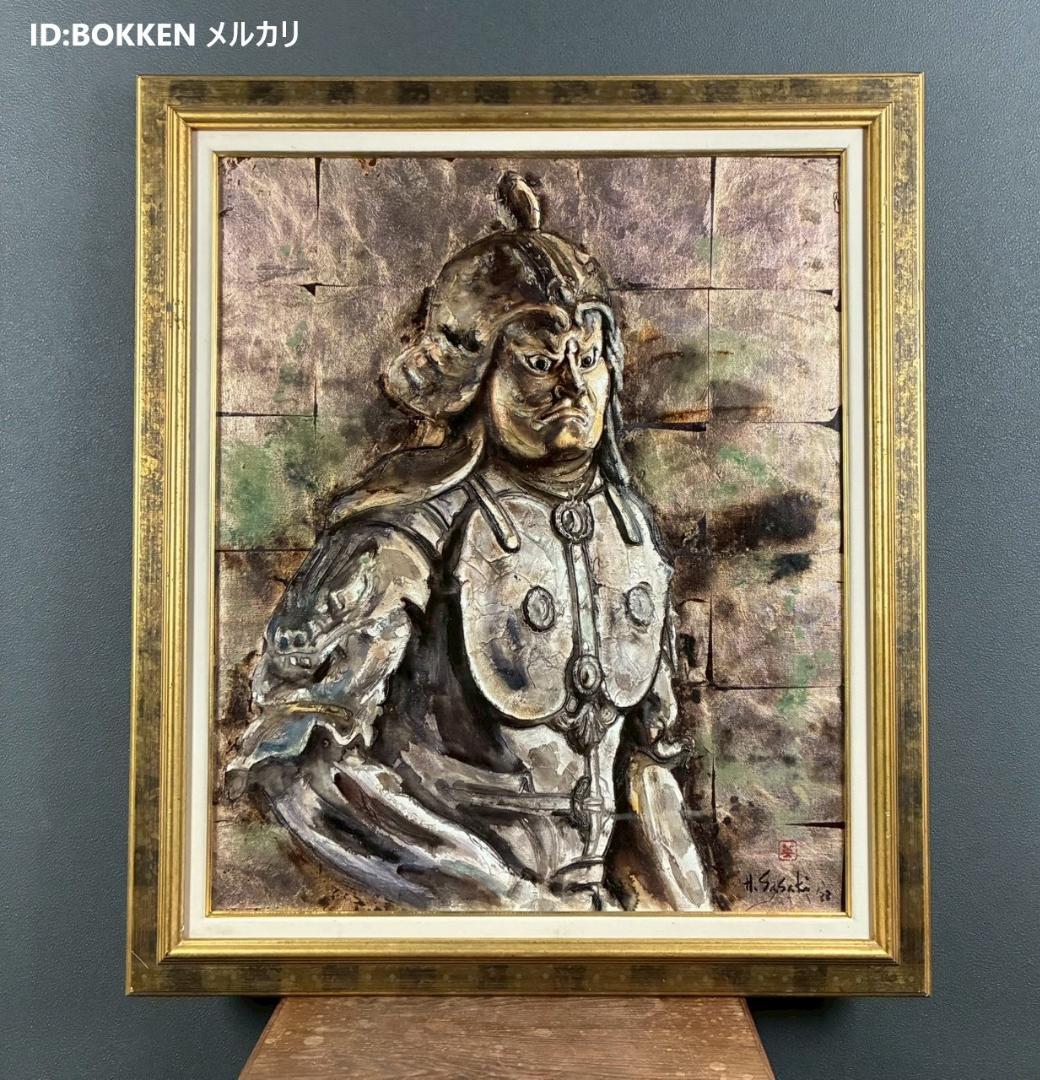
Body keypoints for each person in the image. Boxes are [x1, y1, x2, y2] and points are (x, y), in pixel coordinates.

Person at [225, 171, 710, 912]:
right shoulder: (402, 534)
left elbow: (648, 768)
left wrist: (689, 927)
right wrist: (504, 902)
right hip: (447, 919)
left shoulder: (631, 532)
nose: (572, 386)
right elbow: (299, 767)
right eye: (540, 361)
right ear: (474, 374)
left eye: (587, 357)